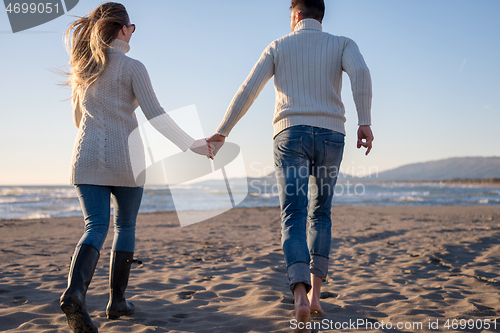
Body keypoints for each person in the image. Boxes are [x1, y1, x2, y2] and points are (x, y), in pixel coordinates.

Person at [207, 0, 373, 330]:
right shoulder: (342, 44)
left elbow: (248, 88)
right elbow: (362, 74)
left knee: (293, 215)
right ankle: (316, 299)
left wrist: (222, 131)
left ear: (295, 15)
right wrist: (364, 121)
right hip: (331, 137)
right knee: (320, 212)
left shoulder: (279, 46)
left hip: (290, 135)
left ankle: (299, 293)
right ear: (319, 15)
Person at [60, 3, 212, 332]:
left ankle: (75, 292)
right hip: (127, 161)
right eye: (132, 27)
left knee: (95, 226)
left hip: (86, 158)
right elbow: (156, 116)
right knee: (124, 228)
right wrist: (194, 145)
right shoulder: (132, 67)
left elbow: (77, 120)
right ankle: (116, 302)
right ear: (123, 28)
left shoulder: (83, 69)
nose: (133, 32)